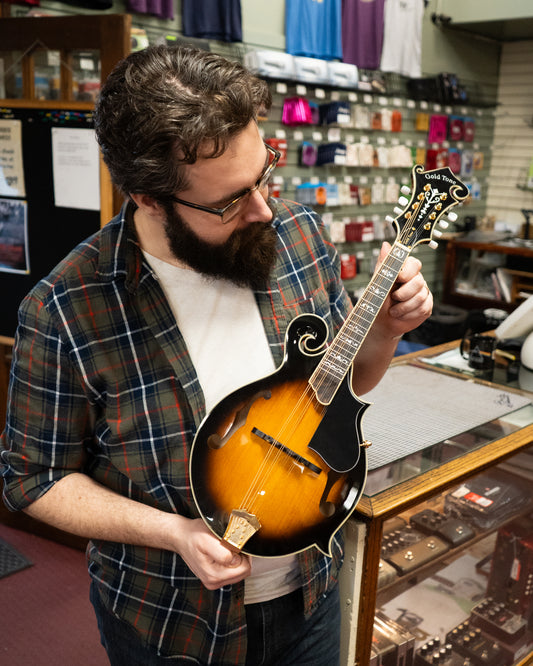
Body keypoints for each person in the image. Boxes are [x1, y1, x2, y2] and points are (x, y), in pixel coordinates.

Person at [1, 45, 433, 665]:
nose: (264, 210)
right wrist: (175, 534)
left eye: (265, 174)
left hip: (309, 592)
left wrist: (387, 331)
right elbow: (31, 479)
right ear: (150, 198)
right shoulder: (66, 309)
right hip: (168, 620)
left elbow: (342, 390)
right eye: (229, 200)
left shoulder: (298, 235)